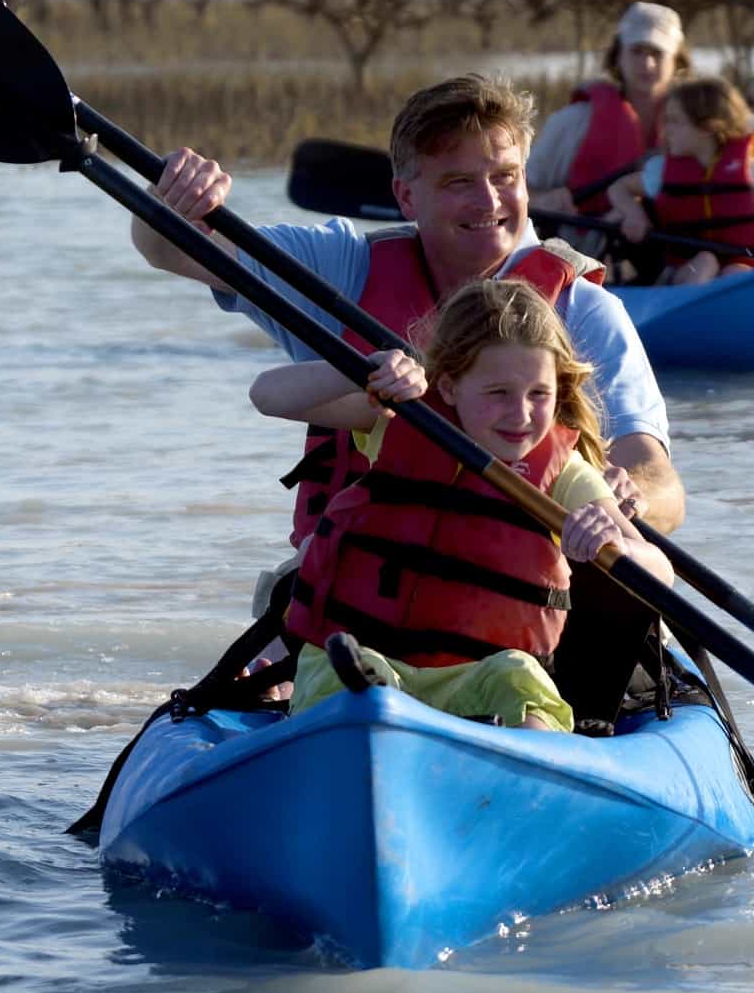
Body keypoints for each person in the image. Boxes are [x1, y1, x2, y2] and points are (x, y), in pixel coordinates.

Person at [134, 75, 687, 721]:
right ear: (406, 195)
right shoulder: (348, 269)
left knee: (615, 592)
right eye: (458, 182)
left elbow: (661, 481)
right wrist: (168, 207)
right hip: (361, 603)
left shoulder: (583, 309)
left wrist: (623, 504)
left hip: (525, 612)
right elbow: (178, 253)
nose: (489, 200)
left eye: (505, 176)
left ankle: (560, 732)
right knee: (302, 600)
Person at [259, 280, 672, 730]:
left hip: (476, 678)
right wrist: (362, 370)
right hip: (368, 663)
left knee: (519, 677)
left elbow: (659, 570)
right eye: (498, 393)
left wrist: (617, 544)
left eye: (538, 394)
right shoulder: (403, 419)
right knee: (347, 669)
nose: (520, 414)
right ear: (451, 387)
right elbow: (268, 396)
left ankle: (532, 765)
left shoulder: (566, 473)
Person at [525, 2, 754, 218]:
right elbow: (520, 190)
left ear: (677, 61)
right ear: (618, 56)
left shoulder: (705, 114)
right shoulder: (572, 122)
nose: (646, 64)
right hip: (598, 248)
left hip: (681, 247)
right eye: (637, 52)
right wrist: (542, 200)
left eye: (657, 54)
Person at [597, 74, 754, 285]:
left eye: (675, 121)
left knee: (735, 271)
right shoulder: (661, 171)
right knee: (706, 262)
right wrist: (634, 213)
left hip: (752, 271)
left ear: (707, 127)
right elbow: (618, 188)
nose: (666, 132)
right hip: (689, 269)